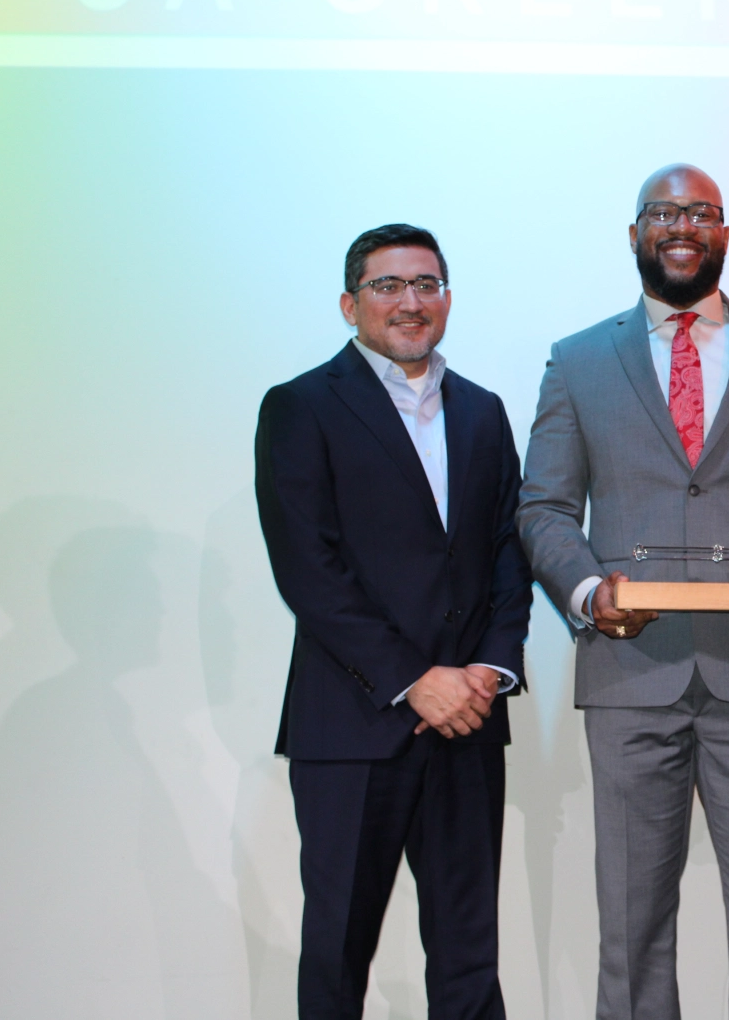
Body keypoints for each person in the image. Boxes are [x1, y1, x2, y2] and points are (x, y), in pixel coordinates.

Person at [517, 164, 729, 1020]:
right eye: (664, 213)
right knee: (631, 930)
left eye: (701, 213)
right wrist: (591, 591)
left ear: (726, 234)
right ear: (634, 233)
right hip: (630, 679)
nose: (683, 226)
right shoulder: (577, 360)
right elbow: (545, 507)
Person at [255, 224, 533, 1020]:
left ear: (445, 298)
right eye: (388, 286)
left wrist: (488, 671)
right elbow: (309, 570)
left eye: (427, 285)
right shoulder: (302, 407)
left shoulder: (482, 412)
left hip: (469, 724)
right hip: (352, 727)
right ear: (351, 304)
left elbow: (507, 556)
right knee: (339, 951)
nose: (410, 302)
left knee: (469, 955)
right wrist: (416, 681)